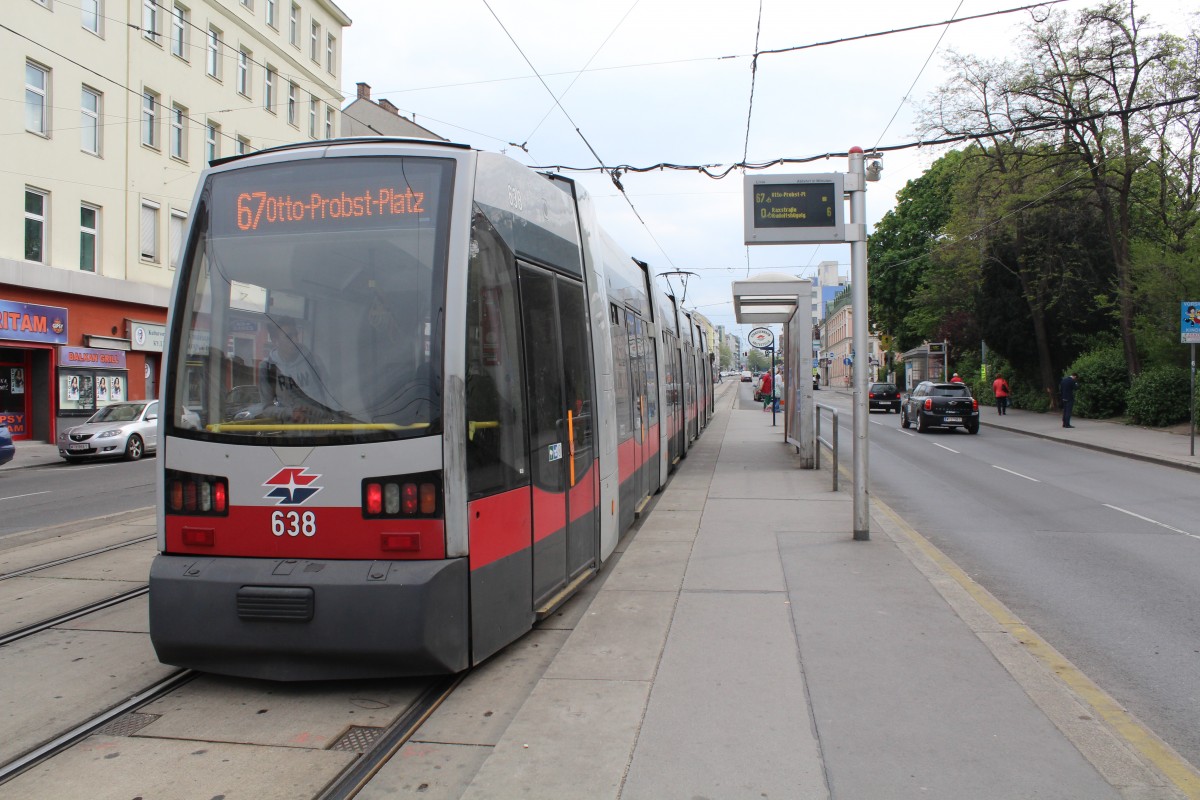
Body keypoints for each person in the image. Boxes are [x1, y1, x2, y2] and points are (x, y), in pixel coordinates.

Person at [259, 317, 341, 421]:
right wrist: (290, 412)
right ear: (276, 341)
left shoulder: (313, 361)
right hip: (292, 432)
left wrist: (338, 415)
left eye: (296, 334)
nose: (295, 340)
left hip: (320, 427)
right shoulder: (267, 368)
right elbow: (266, 408)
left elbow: (330, 393)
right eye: (289, 337)